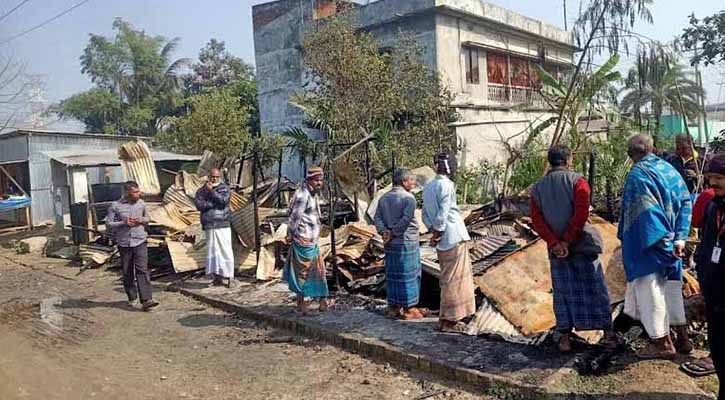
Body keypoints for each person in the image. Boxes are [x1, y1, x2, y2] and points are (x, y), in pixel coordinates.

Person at [530, 145, 616, 353]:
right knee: (596, 290)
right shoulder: (579, 182)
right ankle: (609, 335)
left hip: (557, 251)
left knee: (563, 294)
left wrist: (555, 243)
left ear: (550, 161)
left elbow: (537, 220)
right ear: (569, 159)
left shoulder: (537, 188)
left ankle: (565, 339)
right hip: (582, 245)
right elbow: (581, 215)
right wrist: (567, 240)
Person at [619, 134, 693, 359]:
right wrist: (679, 238)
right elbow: (685, 201)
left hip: (649, 244)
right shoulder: (669, 169)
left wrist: (662, 241)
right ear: (653, 148)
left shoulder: (637, 175)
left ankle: (663, 344)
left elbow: (646, 213)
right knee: (671, 289)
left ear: (631, 155)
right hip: (673, 243)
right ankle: (683, 338)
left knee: (650, 293)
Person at [422, 153, 476, 333]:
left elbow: (425, 214)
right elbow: (443, 213)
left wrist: (433, 232)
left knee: (448, 278)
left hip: (442, 238)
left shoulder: (428, 186)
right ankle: (450, 320)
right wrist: (438, 230)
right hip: (452, 235)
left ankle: (448, 316)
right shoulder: (446, 185)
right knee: (456, 280)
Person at [374, 168, 426, 320]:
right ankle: (409, 309)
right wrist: (394, 232)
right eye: (411, 180)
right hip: (405, 241)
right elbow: (406, 219)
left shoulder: (383, 198)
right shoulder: (408, 198)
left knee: (392, 274)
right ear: (404, 182)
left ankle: (393, 307)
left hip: (390, 242)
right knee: (409, 274)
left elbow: (377, 218)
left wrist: (384, 232)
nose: (414, 183)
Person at [693, 153, 725, 399]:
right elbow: (706, 245)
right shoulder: (714, 206)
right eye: (710, 178)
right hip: (714, 296)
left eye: (718, 178)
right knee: (718, 350)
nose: (712, 184)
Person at [284, 166, 332, 314]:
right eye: (317, 180)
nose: (320, 183)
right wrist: (290, 234)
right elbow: (294, 218)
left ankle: (323, 301)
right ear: (309, 180)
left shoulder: (313, 194)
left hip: (312, 240)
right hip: (303, 240)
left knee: (319, 271)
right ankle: (300, 303)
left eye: (321, 180)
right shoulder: (302, 195)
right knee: (302, 273)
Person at [106, 181, 159, 312]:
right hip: (124, 243)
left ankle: (146, 300)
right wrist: (123, 222)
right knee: (127, 271)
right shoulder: (115, 206)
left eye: (138, 191)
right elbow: (108, 224)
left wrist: (141, 220)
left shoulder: (141, 204)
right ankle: (131, 296)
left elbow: (148, 218)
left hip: (140, 240)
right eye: (135, 192)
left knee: (142, 269)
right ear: (127, 193)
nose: (138, 194)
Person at [195, 168, 235, 288]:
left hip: (222, 223)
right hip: (209, 224)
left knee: (225, 250)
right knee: (213, 252)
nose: (214, 179)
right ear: (209, 176)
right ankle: (217, 277)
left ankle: (229, 277)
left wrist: (211, 192)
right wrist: (211, 204)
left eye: (217, 177)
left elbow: (223, 201)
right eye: (212, 177)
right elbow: (199, 205)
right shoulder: (201, 190)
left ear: (220, 177)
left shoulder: (224, 188)